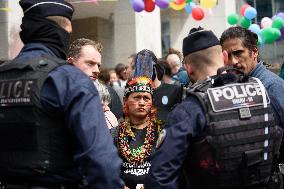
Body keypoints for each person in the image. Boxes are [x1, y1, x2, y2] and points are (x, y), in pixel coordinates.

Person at [0, 1, 124, 188]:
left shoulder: (3, 75)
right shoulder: (69, 79)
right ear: (58, 32)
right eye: (68, 31)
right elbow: (101, 159)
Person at [145, 27, 283, 189]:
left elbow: (160, 178)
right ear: (224, 57)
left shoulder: (189, 110)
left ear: (188, 69)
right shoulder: (262, 94)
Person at [220, 26, 284, 161]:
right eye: (228, 56)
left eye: (238, 53)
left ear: (254, 52)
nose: (233, 62)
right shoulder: (234, 86)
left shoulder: (272, 86)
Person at [110, 76, 163, 189]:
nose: (142, 103)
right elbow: (106, 167)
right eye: (137, 97)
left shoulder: (161, 132)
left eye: (146, 98)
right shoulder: (114, 134)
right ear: (126, 101)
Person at [68, 38, 123, 119]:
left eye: (98, 65)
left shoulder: (109, 94)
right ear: (71, 62)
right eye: (90, 63)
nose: (97, 70)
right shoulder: (54, 91)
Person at [133, 49, 183, 123]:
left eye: (146, 67)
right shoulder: (134, 94)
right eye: (139, 68)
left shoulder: (175, 90)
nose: (142, 72)